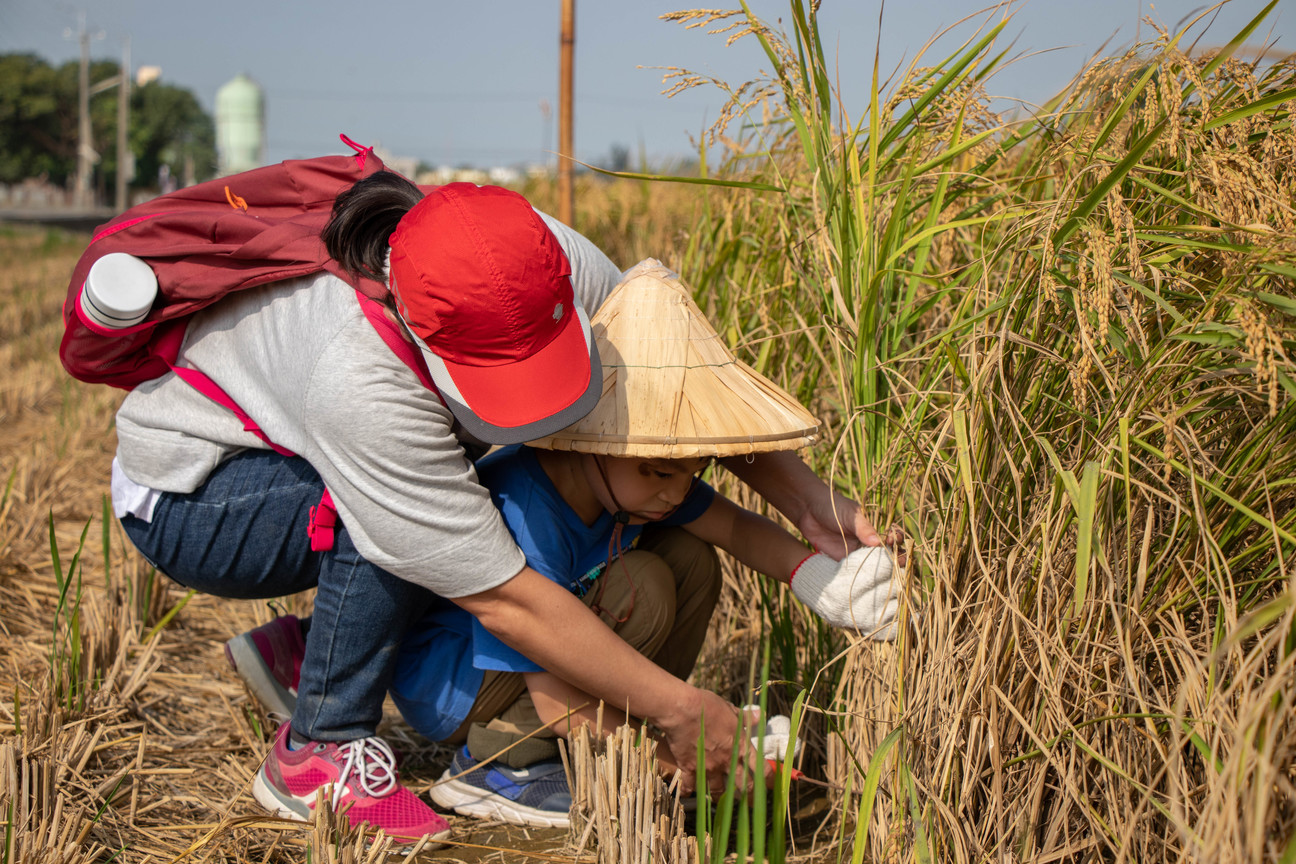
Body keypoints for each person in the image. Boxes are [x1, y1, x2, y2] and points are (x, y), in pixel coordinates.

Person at [112, 165, 892, 842]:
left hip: (326, 448)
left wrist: (810, 504)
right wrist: (677, 720)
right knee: (402, 518)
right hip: (202, 495)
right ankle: (321, 748)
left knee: (445, 514)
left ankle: (325, 644)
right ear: (422, 330)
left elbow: (668, 376)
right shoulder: (356, 379)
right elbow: (508, 597)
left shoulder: (540, 259)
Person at [389, 260, 906, 828]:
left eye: (692, 471)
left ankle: (620, 740)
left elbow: (735, 528)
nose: (677, 491)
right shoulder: (527, 510)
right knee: (648, 584)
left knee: (691, 560)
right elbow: (554, 700)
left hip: (538, 676)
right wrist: (678, 763)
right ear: (592, 445)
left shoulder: (643, 483)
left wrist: (823, 580)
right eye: (660, 472)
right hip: (459, 686)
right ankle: (506, 760)